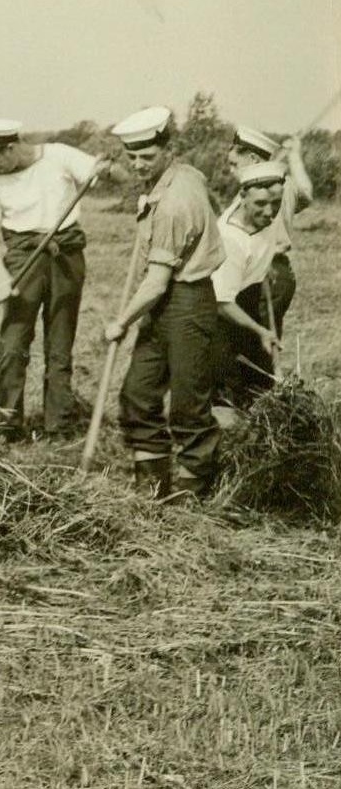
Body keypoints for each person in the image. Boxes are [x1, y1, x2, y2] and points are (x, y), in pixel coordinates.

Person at [105, 106, 225, 499]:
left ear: (166, 148)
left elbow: (156, 283)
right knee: (138, 393)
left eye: (147, 156)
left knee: (189, 406)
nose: (139, 165)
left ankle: (194, 490)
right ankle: (152, 485)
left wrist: (120, 322)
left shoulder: (174, 202)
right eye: (132, 156)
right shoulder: (183, 174)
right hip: (166, 302)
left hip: (187, 302)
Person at [0, 118, 102, 441]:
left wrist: (104, 167)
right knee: (13, 343)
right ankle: (8, 424)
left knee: (60, 342)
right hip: (23, 257)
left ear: (13, 147)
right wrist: (2, 277)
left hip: (66, 255)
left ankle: (57, 425)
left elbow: (100, 170)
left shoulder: (58, 155)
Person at [211, 161, 287, 407]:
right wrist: (260, 330)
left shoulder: (268, 208)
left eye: (275, 203)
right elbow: (222, 303)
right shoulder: (230, 238)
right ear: (242, 197)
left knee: (263, 382)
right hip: (218, 311)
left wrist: (264, 266)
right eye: (261, 204)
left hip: (249, 293)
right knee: (226, 388)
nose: (269, 212)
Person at [226, 125, 313, 334]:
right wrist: (295, 157)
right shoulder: (287, 184)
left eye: (234, 164)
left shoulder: (255, 194)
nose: (230, 170)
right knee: (261, 342)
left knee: (255, 343)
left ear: (254, 160)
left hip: (265, 274)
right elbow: (307, 195)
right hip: (275, 275)